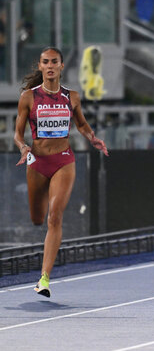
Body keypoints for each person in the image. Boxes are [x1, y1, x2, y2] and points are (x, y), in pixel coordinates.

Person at [13, 47, 109, 298]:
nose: (51, 66)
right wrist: (23, 147)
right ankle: (39, 223)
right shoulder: (28, 97)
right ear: (41, 66)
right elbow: (17, 133)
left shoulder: (72, 97)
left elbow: (81, 123)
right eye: (46, 62)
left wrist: (92, 138)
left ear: (62, 66)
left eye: (55, 62)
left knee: (54, 217)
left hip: (63, 161)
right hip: (36, 161)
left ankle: (44, 278)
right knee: (37, 217)